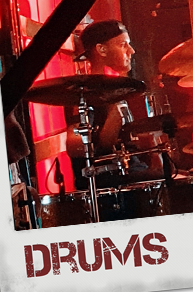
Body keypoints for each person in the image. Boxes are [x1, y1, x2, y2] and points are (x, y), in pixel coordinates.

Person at [65, 20, 165, 190]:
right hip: (110, 180)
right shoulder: (85, 93)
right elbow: (75, 146)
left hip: (132, 171)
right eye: (123, 45)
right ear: (102, 50)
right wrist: (112, 121)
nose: (131, 51)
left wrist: (149, 147)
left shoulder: (117, 88)